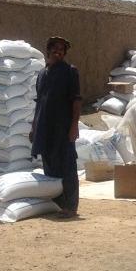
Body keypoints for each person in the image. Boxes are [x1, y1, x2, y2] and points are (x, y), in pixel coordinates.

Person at [31, 36, 81, 218]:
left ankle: (70, 206)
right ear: (48, 51)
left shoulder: (70, 72)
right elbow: (39, 103)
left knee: (67, 165)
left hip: (63, 127)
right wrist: (34, 127)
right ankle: (57, 203)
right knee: (50, 166)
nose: (58, 52)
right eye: (55, 48)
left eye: (62, 49)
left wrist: (74, 125)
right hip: (45, 127)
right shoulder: (42, 74)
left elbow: (76, 100)